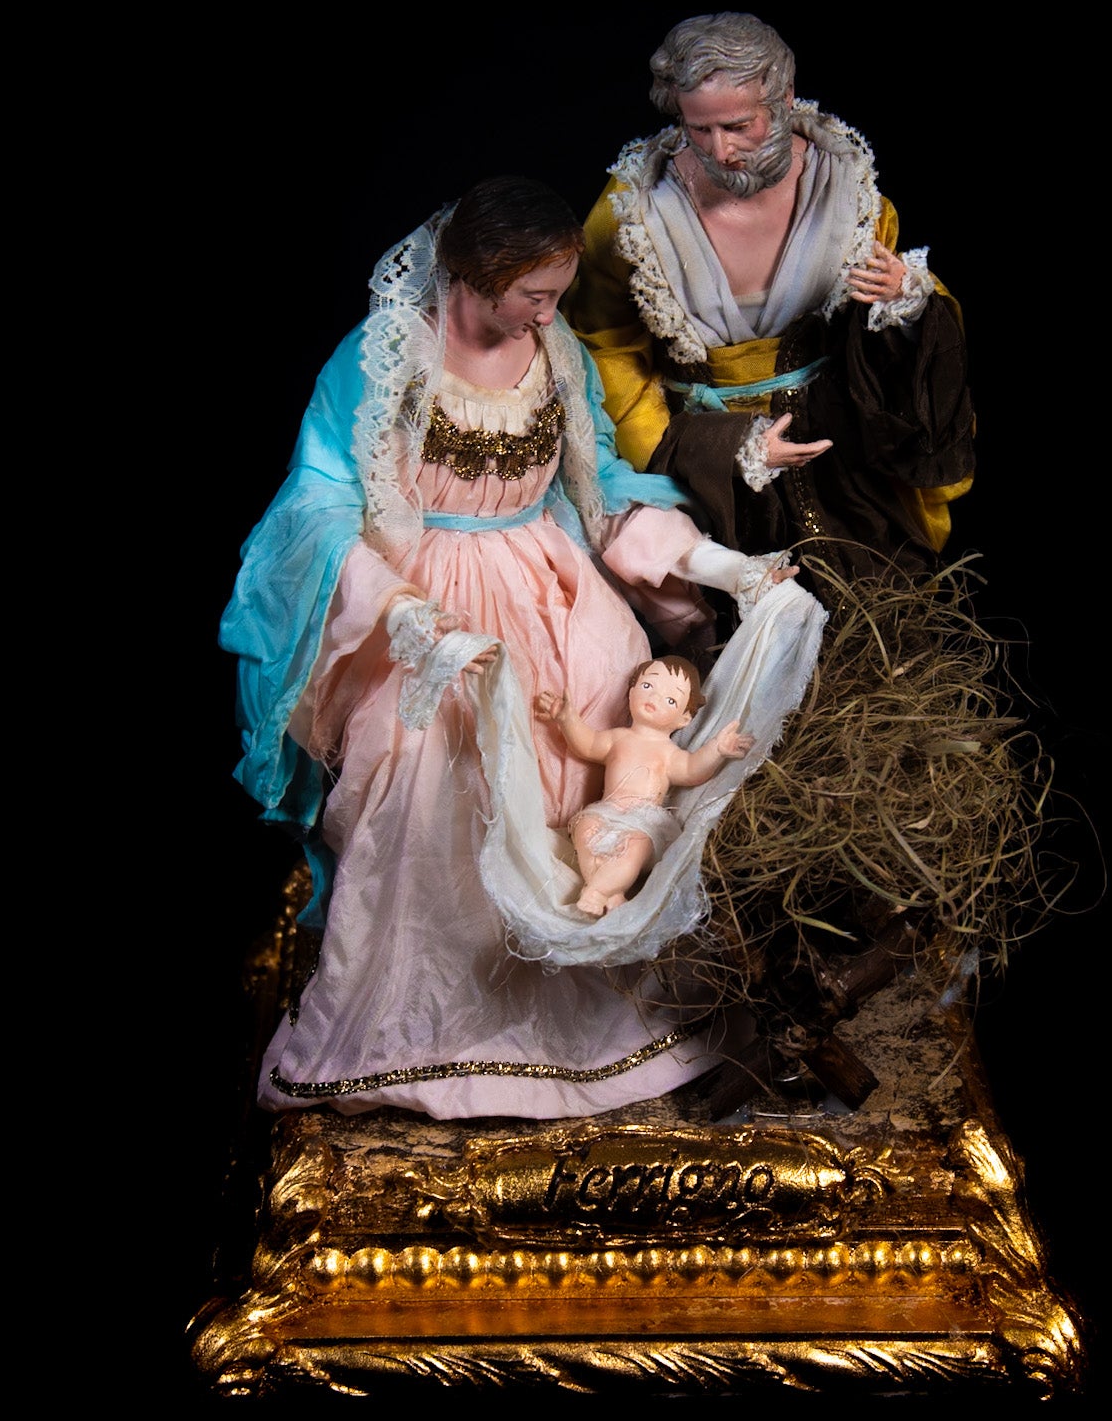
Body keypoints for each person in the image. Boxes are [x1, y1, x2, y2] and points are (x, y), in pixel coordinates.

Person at [222, 177, 821, 1122]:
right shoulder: (382, 360)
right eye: (533, 295)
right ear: (472, 276)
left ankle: (582, 1004)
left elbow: (600, 490)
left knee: (599, 747)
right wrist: (405, 615)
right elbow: (322, 502)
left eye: (556, 295)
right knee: (423, 772)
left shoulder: (556, 353)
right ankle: (428, 1029)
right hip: (429, 596)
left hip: (550, 586)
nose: (549, 314)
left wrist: (720, 566)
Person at [568, 12, 976, 586]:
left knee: (867, 590)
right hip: (711, 470)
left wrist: (903, 301)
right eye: (699, 129)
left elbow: (892, 342)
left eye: (739, 126)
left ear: (783, 99)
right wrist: (695, 452)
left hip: (836, 456)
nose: (720, 150)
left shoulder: (843, 189)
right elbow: (605, 349)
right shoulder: (636, 212)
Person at [535, 656, 754, 916]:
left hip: (642, 821)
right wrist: (567, 719)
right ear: (632, 691)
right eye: (648, 686)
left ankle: (595, 891)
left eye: (670, 700)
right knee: (584, 830)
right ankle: (611, 891)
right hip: (606, 812)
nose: (654, 697)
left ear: (684, 719)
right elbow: (587, 745)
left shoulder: (669, 753)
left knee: (636, 846)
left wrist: (716, 750)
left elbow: (692, 770)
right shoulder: (617, 738)